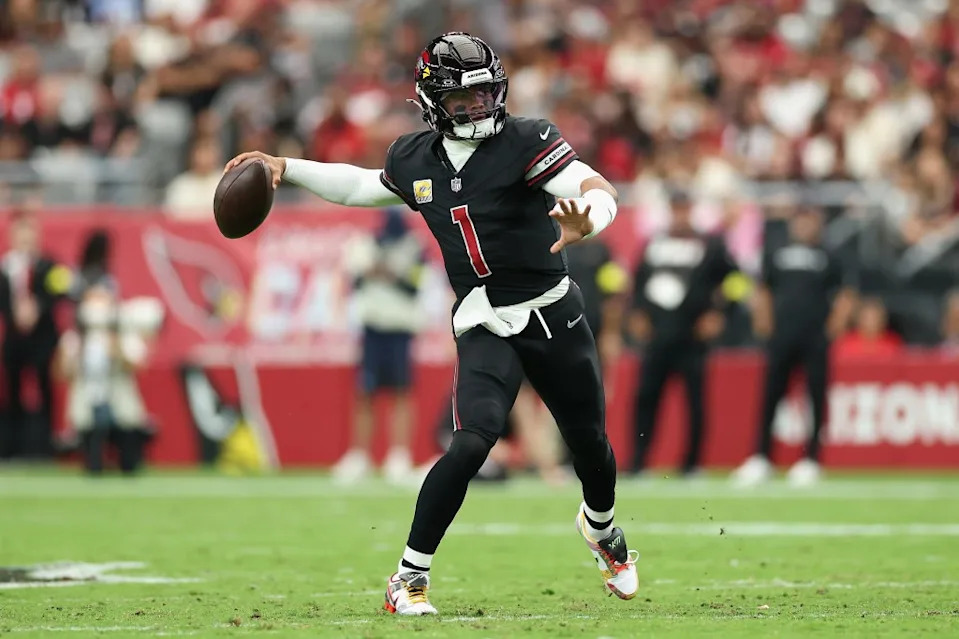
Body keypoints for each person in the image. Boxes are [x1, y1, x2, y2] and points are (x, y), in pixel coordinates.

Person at [225, 32, 637, 615]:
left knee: (589, 442)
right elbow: (363, 185)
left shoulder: (528, 139)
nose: (478, 107)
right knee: (472, 442)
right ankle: (408, 578)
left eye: (486, 93)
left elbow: (596, 188)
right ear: (431, 101)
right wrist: (285, 166)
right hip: (483, 318)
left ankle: (602, 531)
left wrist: (587, 220)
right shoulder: (415, 157)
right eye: (462, 99)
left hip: (549, 307)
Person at [732, 207, 854, 487]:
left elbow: (845, 293)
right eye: (801, 220)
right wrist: (764, 321)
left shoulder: (829, 255)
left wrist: (834, 327)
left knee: (815, 397)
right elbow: (762, 288)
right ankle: (762, 457)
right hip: (781, 336)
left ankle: (811, 459)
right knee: (770, 396)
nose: (804, 225)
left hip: (814, 336)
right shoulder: (776, 253)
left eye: (809, 220)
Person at [628, 190, 735, 476]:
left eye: (684, 208)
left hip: (692, 338)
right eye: (676, 209)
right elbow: (637, 284)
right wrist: (636, 314)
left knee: (695, 401)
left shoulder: (711, 245)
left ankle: (692, 464)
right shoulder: (653, 244)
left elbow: (736, 280)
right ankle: (639, 462)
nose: (680, 215)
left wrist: (720, 314)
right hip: (657, 337)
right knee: (646, 399)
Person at [56, 230, 161, 475]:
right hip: (89, 395)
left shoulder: (121, 333)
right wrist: (77, 355)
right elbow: (62, 373)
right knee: (87, 417)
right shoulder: (77, 337)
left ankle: (128, 455)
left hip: (117, 393)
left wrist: (117, 352)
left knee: (128, 418)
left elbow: (139, 365)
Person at [333, 207, 426, 485]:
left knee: (401, 392)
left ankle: (399, 455)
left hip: (400, 328)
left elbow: (416, 285)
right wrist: (375, 269)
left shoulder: (415, 247)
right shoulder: (364, 244)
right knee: (365, 392)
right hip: (372, 326)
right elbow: (356, 279)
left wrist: (390, 273)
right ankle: (359, 455)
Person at [0, 209, 70, 459]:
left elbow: (63, 292)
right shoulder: (5, 266)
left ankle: (44, 447)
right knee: (12, 391)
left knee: (45, 389)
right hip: (14, 339)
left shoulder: (50, 265)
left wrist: (37, 306)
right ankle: (12, 448)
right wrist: (14, 311)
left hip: (43, 339)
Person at [832, 297, 903, 359]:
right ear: (858, 319)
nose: (871, 322)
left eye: (875, 317)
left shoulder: (893, 343)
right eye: (867, 318)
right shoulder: (845, 344)